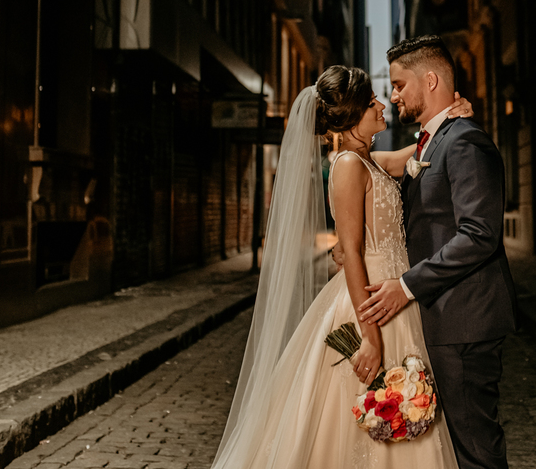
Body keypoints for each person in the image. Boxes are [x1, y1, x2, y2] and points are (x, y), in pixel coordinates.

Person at [209, 65, 472, 469]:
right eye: (371, 102)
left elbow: (412, 157)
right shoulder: (348, 165)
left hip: (395, 296)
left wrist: (447, 116)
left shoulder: (368, 160)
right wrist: (369, 337)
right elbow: (348, 251)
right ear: (350, 117)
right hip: (370, 304)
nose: (382, 104)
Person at [355, 35, 517, 469]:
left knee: (476, 451)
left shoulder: (464, 141)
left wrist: (406, 285)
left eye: (399, 84)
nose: (393, 95)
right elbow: (369, 159)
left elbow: (480, 233)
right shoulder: (434, 140)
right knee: (456, 448)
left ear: (429, 81)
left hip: (465, 320)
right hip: (443, 318)